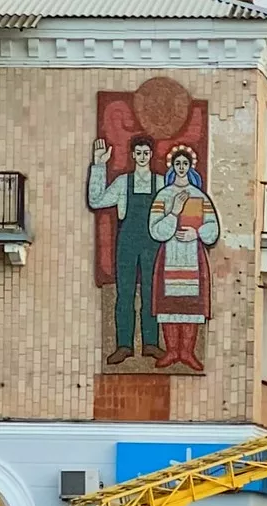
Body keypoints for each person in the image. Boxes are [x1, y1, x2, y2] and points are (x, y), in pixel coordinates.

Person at [87, 135, 166, 365]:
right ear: (133, 155)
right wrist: (99, 165)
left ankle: (151, 343)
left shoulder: (161, 183)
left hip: (153, 243)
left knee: (151, 292)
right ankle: (124, 345)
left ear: (151, 155)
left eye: (146, 153)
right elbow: (96, 200)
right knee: (125, 293)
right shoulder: (123, 182)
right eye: (138, 153)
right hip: (127, 243)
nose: (142, 157)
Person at [148, 146, 219, 372]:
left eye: (184, 164)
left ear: (190, 167)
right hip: (170, 255)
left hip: (192, 257)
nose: (181, 168)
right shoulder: (164, 195)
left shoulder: (200, 196)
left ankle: (187, 352)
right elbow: (155, 229)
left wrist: (196, 233)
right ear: (173, 166)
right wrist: (174, 212)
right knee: (168, 304)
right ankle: (171, 351)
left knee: (191, 304)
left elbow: (213, 227)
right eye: (177, 164)